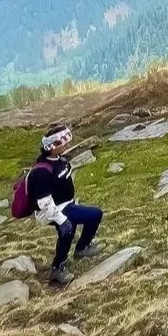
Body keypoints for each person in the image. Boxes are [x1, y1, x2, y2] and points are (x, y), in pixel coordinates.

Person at [27, 123, 103, 286]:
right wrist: (61, 220)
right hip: (52, 211)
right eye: (64, 144)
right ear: (53, 146)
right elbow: (44, 203)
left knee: (70, 230)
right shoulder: (41, 171)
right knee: (92, 216)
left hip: (65, 205)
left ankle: (68, 258)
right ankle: (69, 259)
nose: (67, 146)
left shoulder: (59, 159)